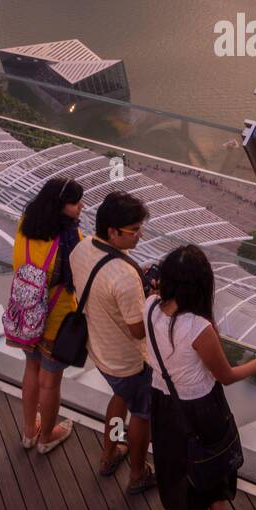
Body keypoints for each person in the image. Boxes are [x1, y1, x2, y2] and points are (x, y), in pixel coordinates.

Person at [146, 244, 256, 510]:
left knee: (186, 465)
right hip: (202, 407)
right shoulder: (198, 327)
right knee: (213, 461)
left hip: (164, 404)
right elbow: (225, 376)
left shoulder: (150, 306)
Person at [70, 191, 156, 490]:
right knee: (142, 416)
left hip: (100, 351)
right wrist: (153, 299)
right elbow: (137, 330)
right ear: (113, 231)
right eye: (134, 231)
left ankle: (110, 454)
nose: (139, 236)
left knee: (120, 398)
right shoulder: (124, 275)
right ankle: (137, 473)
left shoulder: (81, 249)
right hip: (130, 361)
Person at [11, 177, 84, 453]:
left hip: (25, 312)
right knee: (50, 381)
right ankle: (47, 438)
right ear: (60, 205)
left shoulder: (25, 223)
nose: (81, 207)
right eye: (75, 203)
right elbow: (76, 279)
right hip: (57, 319)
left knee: (31, 368)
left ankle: (29, 432)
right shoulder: (69, 237)